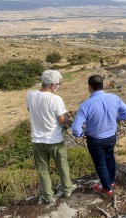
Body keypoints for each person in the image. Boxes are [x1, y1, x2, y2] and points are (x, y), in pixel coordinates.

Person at [72, 75, 126, 196]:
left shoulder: (86, 105)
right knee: (110, 158)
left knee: (100, 163)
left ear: (89, 87)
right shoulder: (114, 97)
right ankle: (112, 182)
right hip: (111, 136)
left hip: (95, 140)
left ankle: (107, 189)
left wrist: (79, 134)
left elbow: (75, 127)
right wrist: (118, 119)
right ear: (102, 85)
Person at [26, 70, 72, 204]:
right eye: (58, 84)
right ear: (52, 85)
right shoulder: (55, 99)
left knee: (43, 170)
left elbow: (31, 111)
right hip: (54, 139)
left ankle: (48, 196)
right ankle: (67, 190)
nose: (58, 87)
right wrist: (67, 115)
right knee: (62, 166)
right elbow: (62, 121)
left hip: (37, 139)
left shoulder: (30, 95)